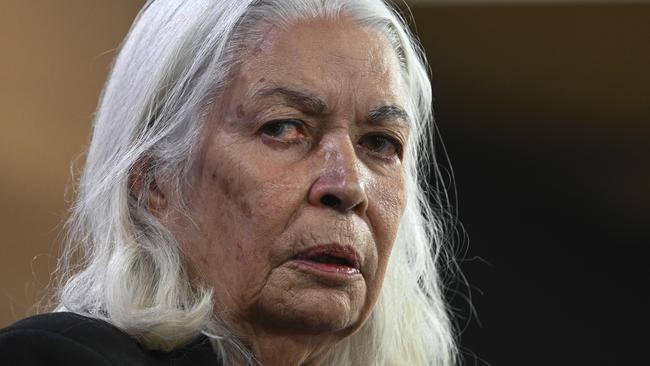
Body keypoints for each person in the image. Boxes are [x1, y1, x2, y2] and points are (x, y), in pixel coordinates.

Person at [0, 0, 457, 365]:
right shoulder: (55, 356)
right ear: (154, 180)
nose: (349, 185)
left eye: (380, 142)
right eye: (283, 128)